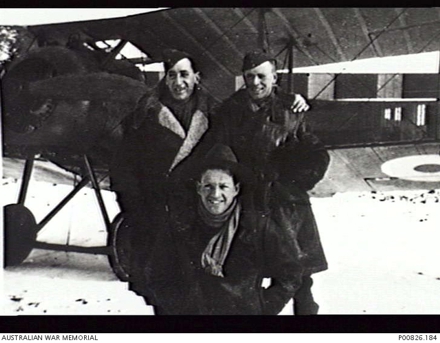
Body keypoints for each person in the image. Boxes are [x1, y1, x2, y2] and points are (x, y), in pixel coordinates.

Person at [110, 48, 310, 296]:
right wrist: (135, 207)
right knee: (158, 289)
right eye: (171, 75)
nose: (178, 82)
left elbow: (224, 159)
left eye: (184, 74)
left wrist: (292, 100)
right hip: (153, 212)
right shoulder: (144, 113)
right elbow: (122, 165)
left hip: (197, 216)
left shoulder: (214, 113)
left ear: (197, 77)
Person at [210, 50, 330, 315]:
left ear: (274, 78)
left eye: (261, 76)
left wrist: (296, 182)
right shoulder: (229, 112)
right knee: (244, 269)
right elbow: (220, 152)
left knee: (298, 272)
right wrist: (241, 175)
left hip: (286, 202)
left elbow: (316, 153)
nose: (255, 83)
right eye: (249, 77)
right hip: (246, 200)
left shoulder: (292, 109)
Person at [143, 144, 304, 315]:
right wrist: (180, 306)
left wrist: (263, 307)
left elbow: (290, 273)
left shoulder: (256, 226)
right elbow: (156, 274)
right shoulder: (179, 225)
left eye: (223, 186)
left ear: (236, 189)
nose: (215, 195)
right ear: (198, 189)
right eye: (208, 186)